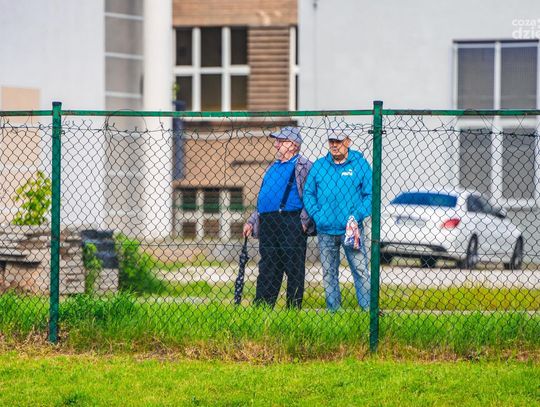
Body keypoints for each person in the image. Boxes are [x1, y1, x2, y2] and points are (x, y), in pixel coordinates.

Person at [243, 126, 314, 309]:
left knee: (293, 268)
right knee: (268, 266)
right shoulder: (273, 167)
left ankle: (293, 309)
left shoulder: (304, 166)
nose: (276, 145)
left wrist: (304, 221)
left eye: (281, 141)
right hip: (268, 222)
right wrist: (252, 221)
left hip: (291, 221)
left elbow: (313, 196)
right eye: (277, 141)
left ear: (293, 145)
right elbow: (263, 199)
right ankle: (263, 307)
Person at [303, 128, 372, 311]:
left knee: (360, 270)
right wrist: (318, 216)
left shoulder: (360, 164)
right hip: (325, 230)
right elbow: (309, 193)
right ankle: (333, 310)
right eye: (331, 141)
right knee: (329, 273)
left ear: (348, 141)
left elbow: (370, 195)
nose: (334, 145)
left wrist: (356, 216)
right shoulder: (319, 166)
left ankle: (367, 310)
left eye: (338, 141)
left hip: (351, 230)